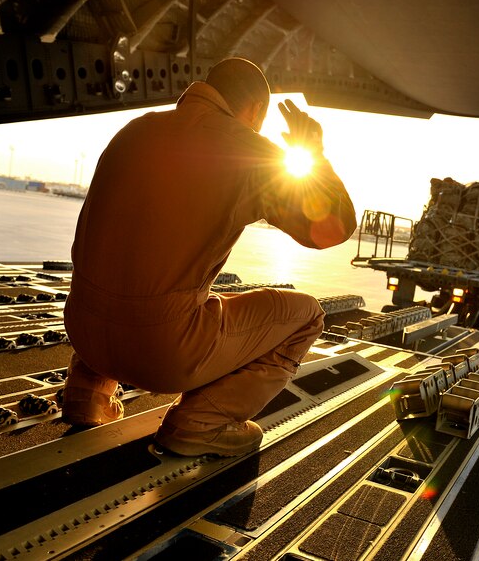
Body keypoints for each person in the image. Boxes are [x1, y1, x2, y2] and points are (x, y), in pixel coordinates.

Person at [60, 57, 356, 457]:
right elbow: (334, 228)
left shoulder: (134, 131)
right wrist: (314, 155)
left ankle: (86, 394)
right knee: (307, 316)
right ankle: (200, 422)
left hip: (83, 333)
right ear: (255, 109)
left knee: (123, 271)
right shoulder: (248, 150)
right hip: (163, 354)